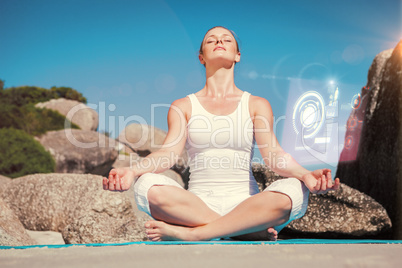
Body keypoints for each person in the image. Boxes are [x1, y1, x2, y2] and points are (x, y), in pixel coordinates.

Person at [103, 26, 340, 241]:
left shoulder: (256, 104)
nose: (219, 41)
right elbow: (168, 154)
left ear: (238, 55)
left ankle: (194, 234)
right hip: (196, 204)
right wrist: (133, 171)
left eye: (227, 39)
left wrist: (306, 174)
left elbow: (274, 155)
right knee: (146, 184)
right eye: (211, 40)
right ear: (201, 57)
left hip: (247, 204)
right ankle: (243, 230)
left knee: (295, 189)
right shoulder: (183, 106)